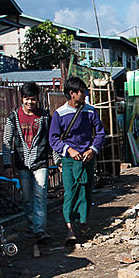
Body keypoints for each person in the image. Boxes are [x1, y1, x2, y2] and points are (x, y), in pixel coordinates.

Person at [49, 77, 106, 245]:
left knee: (86, 191)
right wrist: (69, 150)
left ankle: (83, 222)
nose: (85, 94)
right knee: (70, 193)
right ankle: (70, 229)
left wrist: (92, 150)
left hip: (87, 159)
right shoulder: (60, 114)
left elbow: (100, 133)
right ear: (72, 93)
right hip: (69, 160)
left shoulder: (90, 111)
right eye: (81, 91)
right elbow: (53, 139)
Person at [2, 81, 51, 244]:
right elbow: (6, 142)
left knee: (40, 195)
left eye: (33, 99)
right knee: (27, 198)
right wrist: (7, 165)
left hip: (41, 162)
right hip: (22, 165)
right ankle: (32, 225)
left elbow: (52, 139)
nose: (30, 102)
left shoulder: (45, 117)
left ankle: (40, 230)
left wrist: (57, 161)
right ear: (21, 98)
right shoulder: (13, 118)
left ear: (38, 99)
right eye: (27, 99)